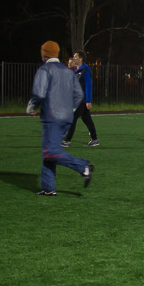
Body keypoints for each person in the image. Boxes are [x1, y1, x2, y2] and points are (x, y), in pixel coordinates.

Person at [26, 40, 94, 196]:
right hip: (66, 117)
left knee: (51, 151)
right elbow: (79, 94)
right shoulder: (67, 71)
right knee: (49, 151)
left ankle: (83, 167)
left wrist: (32, 107)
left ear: (44, 54)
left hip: (52, 116)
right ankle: (48, 187)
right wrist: (70, 109)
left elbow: (39, 93)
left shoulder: (44, 70)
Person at [62, 51, 98, 147]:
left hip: (82, 100)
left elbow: (88, 86)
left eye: (76, 57)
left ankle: (67, 140)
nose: (74, 58)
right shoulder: (76, 71)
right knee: (87, 119)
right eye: (73, 56)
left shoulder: (85, 71)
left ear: (81, 59)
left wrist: (88, 101)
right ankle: (94, 139)